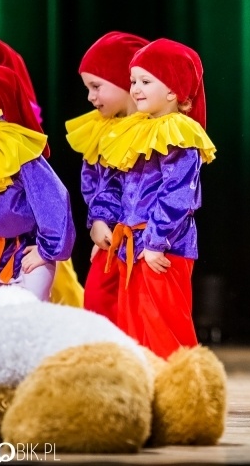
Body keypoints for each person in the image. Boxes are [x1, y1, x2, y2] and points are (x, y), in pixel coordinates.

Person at [95, 38, 216, 359]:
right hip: (131, 245)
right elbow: (114, 182)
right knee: (134, 325)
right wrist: (103, 220)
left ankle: (183, 392)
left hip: (164, 246)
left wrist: (155, 241)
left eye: (146, 81)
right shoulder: (135, 129)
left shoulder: (179, 132)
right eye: (133, 80)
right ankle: (148, 390)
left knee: (165, 324)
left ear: (174, 90)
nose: (135, 88)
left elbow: (178, 194)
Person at [0, 28, 85, 308]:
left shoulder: (13, 147)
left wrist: (48, 251)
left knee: (25, 317)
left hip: (24, 250)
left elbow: (53, 198)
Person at [65, 31, 150, 324]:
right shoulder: (101, 130)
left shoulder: (155, 130)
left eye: (96, 86)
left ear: (122, 80)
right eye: (88, 88)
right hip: (111, 241)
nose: (91, 96)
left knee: (139, 316)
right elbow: (98, 184)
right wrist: (98, 220)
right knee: (98, 303)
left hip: (146, 241)